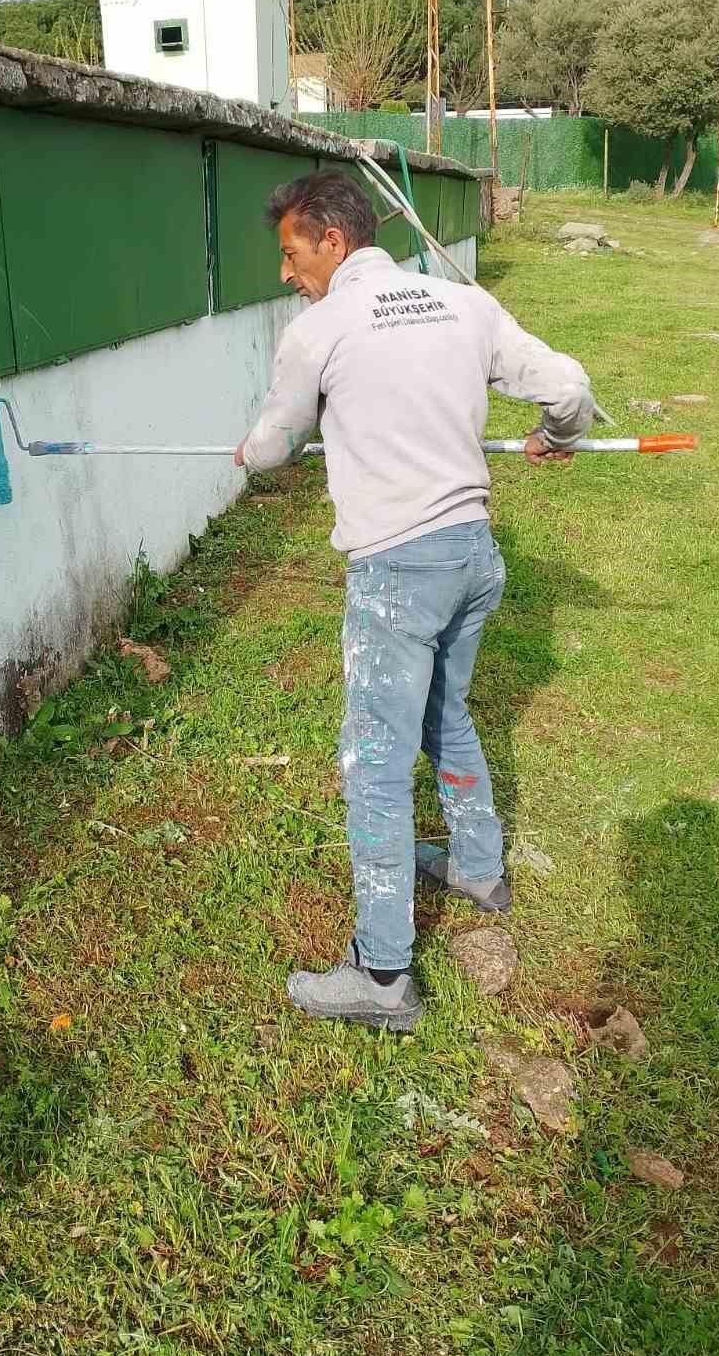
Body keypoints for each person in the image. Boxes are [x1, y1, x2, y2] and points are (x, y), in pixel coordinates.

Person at [234, 169, 595, 1031]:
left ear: (333, 241)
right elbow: (569, 389)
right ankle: (477, 866)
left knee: (375, 762)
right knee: (447, 712)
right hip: (473, 559)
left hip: (398, 574)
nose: (286, 274)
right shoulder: (461, 305)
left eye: (291, 254)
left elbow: (280, 443)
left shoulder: (318, 330)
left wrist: (249, 452)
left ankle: (384, 976)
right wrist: (554, 436)